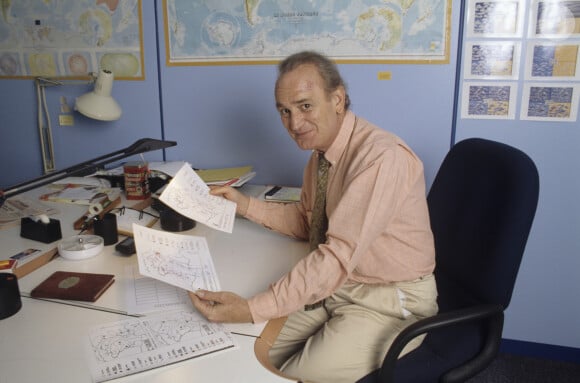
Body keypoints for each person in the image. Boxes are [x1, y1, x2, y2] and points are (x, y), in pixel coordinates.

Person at [189, 51, 438, 383]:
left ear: (337, 99)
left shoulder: (380, 158)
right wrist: (244, 205)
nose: (294, 124)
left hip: (390, 300)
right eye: (285, 111)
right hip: (344, 284)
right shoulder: (321, 155)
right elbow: (310, 223)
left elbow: (335, 256)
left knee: (292, 374)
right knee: (256, 351)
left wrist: (251, 308)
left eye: (305, 106)